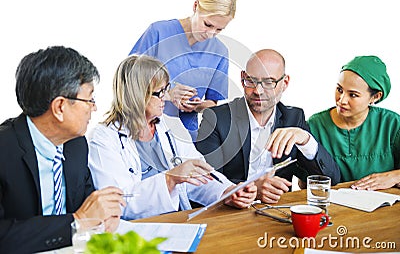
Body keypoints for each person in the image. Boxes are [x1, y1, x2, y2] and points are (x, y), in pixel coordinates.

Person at [88, 55, 256, 220]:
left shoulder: (169, 125)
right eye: (159, 92)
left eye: (166, 89)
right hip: (133, 231)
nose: (165, 98)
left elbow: (199, 174)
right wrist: (170, 179)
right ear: (137, 95)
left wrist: (228, 192)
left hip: (177, 221)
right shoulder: (104, 138)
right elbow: (118, 203)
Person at [0, 46, 125, 253]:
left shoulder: (76, 145)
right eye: (90, 99)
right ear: (60, 107)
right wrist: (76, 222)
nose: (94, 108)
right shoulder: (4, 149)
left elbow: (85, 198)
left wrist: (102, 215)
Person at [196, 49, 341, 204]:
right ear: (242, 77)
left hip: (277, 211)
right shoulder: (217, 118)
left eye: (269, 82)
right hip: (229, 213)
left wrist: (306, 140)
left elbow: (330, 179)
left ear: (284, 83)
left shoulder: (294, 118)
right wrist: (252, 190)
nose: (258, 91)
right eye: (251, 81)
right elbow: (203, 182)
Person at [129, 0, 236, 140]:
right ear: (195, 6)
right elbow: (129, 80)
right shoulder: (159, 32)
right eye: (208, 24)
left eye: (219, 30)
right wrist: (167, 94)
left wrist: (197, 105)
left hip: (185, 136)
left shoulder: (220, 52)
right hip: (144, 128)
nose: (211, 34)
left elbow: (212, 102)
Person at [308, 55, 400, 190]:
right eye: (339, 90)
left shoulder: (391, 124)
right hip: (333, 207)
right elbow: (304, 182)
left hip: (383, 208)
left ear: (375, 97)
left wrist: (394, 176)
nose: (342, 100)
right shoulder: (315, 126)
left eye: (353, 95)